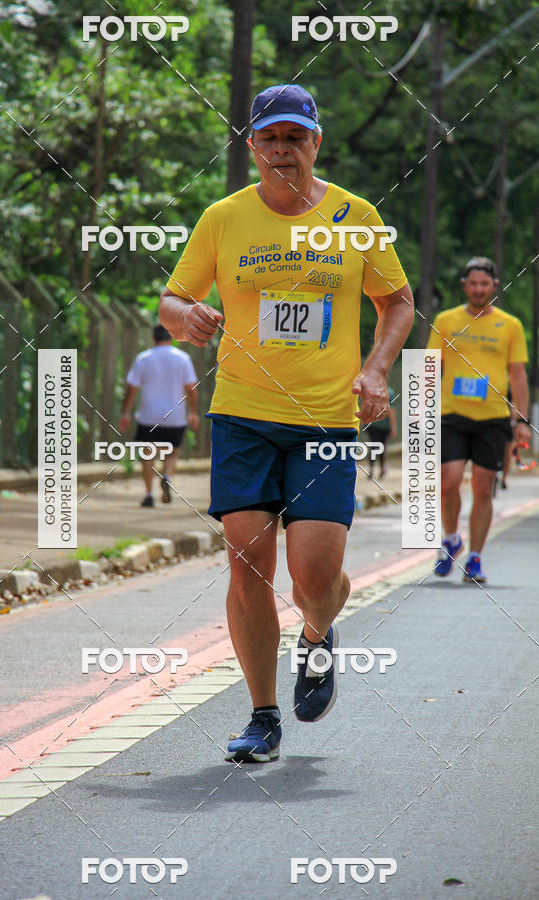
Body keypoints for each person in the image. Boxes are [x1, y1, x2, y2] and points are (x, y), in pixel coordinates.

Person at [160, 83, 413, 763]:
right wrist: (184, 317)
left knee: (315, 576)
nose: (282, 151)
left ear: (315, 144)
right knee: (246, 563)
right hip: (242, 415)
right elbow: (172, 297)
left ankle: (318, 631)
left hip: (327, 420)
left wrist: (377, 370)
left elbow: (397, 301)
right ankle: (262, 715)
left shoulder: (355, 217)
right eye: (269, 139)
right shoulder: (223, 218)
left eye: (294, 139)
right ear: (252, 147)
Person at [427, 257, 530, 583]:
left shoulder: (510, 325)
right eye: (472, 284)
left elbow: (518, 374)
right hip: (452, 414)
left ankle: (475, 558)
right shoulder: (446, 320)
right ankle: (451, 539)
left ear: (494, 286)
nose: (478, 289)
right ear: (464, 286)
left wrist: (522, 419)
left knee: (484, 489)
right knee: (449, 481)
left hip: (493, 418)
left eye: (484, 284)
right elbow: (430, 365)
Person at [118, 324, 199, 506]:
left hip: (149, 416)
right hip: (175, 416)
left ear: (154, 339)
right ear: (171, 337)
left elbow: (131, 389)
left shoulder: (144, 358)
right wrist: (193, 411)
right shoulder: (183, 358)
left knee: (148, 454)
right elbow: (191, 389)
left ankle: (148, 494)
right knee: (172, 452)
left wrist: (125, 413)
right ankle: (167, 477)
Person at [366, 385, 397, 479]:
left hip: (372, 424)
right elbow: (391, 411)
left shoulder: (371, 390)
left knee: (373, 446)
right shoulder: (389, 392)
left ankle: (371, 469)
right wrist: (393, 427)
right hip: (384, 425)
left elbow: (367, 407)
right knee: (382, 447)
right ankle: (382, 469)